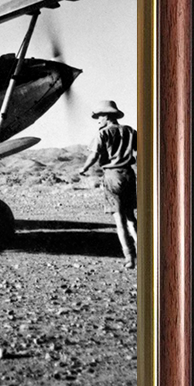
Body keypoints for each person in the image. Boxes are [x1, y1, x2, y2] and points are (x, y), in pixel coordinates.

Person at [76, 100, 138, 268]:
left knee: (119, 220)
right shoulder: (130, 131)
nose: (98, 120)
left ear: (107, 116)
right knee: (131, 217)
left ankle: (129, 257)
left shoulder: (102, 134)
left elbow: (94, 155)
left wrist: (84, 168)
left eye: (100, 117)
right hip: (129, 175)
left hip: (111, 175)